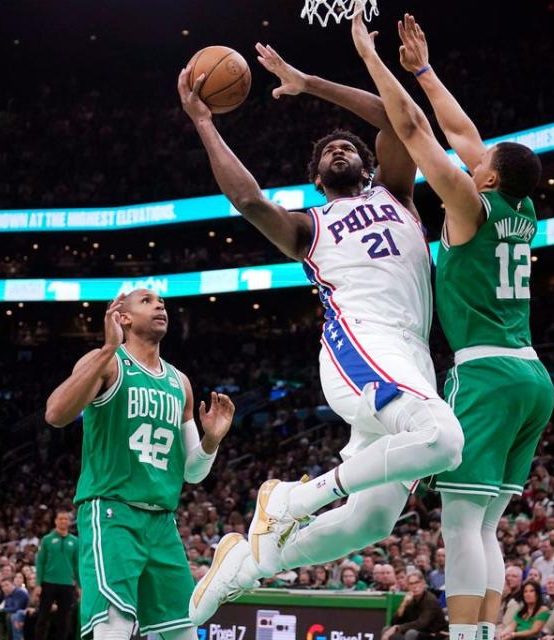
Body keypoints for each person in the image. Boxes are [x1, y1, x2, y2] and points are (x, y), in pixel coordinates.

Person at [179, 38, 465, 624]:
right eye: (328, 152)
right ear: (316, 180)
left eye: (346, 146)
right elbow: (247, 198)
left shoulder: (398, 193)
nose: (339, 148)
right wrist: (205, 123)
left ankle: (244, 565)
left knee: (372, 520)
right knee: (445, 442)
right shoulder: (309, 226)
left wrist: (309, 82)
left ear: (368, 165)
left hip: (410, 354)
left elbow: (392, 114)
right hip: (360, 343)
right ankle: (288, 499)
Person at [351, 12, 553, 640]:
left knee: (462, 523)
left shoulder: (469, 204)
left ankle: (467, 637)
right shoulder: (521, 206)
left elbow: (412, 129)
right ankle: (484, 635)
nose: (473, 157)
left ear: (487, 177)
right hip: (531, 378)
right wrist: (425, 70)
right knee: (484, 524)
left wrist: (371, 57)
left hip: (488, 373)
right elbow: (463, 132)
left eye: (481, 161)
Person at [45, 290, 235, 640]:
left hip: (163, 522)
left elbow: (192, 472)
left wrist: (211, 441)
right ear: (124, 317)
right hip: (113, 513)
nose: (160, 305)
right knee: (113, 628)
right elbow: (56, 414)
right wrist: (106, 348)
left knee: (183, 631)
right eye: (147, 301)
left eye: (162, 301)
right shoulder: (108, 361)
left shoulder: (180, 383)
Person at [35, 511, 79, 640]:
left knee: (64, 618)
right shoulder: (47, 539)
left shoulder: (75, 541)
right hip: (48, 582)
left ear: (70, 522)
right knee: (43, 616)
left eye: (66, 519)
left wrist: (79, 585)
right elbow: (40, 563)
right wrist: (38, 584)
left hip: (67, 584)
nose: (63, 521)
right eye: (61, 519)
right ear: (55, 521)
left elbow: (76, 565)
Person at [385, 573, 447, 640]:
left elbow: (422, 623)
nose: (414, 586)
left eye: (417, 582)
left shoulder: (430, 600)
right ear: (408, 586)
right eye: (411, 584)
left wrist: (398, 628)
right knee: (387, 629)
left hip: (434, 634)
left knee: (411, 633)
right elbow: (394, 622)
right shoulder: (409, 599)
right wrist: (403, 604)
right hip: (418, 631)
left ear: (423, 583)